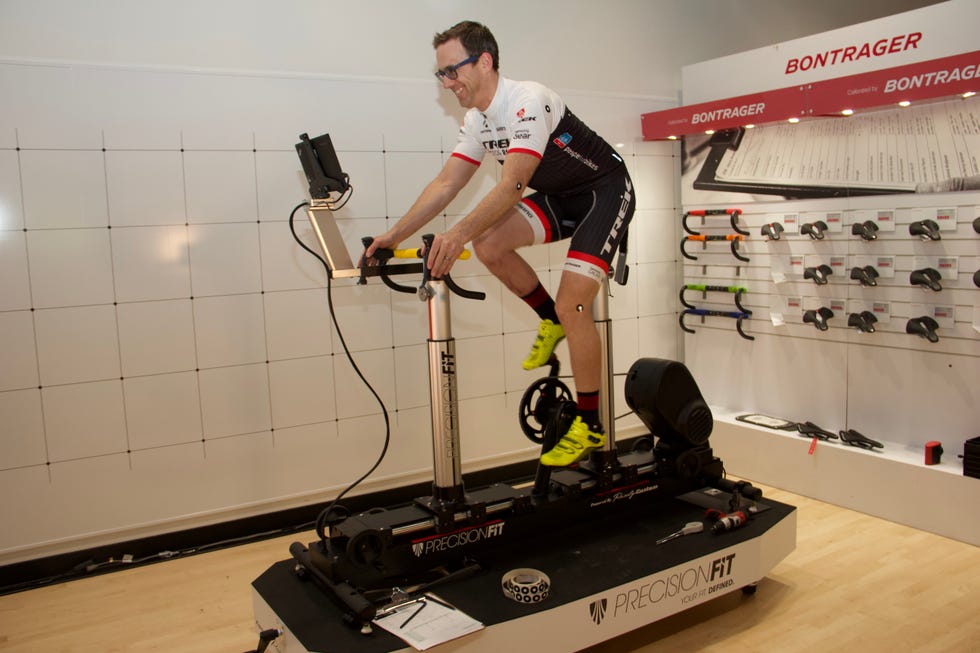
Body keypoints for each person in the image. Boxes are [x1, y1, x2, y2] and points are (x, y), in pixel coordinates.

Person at [365, 20, 635, 467]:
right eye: (442, 75)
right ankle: (549, 320)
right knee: (490, 245)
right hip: (563, 197)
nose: (448, 83)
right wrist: (394, 235)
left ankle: (589, 423)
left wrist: (455, 235)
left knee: (576, 306)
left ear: (485, 61)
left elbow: (512, 185)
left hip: (605, 192)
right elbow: (446, 183)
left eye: (453, 71)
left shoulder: (527, 100)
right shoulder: (477, 120)